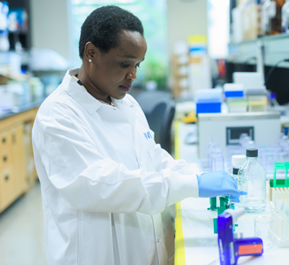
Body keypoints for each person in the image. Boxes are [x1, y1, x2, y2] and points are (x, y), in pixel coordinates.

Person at [32, 5, 245, 265]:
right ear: (91, 53)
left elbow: (153, 158)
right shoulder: (57, 115)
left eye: (138, 65)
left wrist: (193, 173)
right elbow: (105, 185)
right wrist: (193, 185)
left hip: (146, 250)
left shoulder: (128, 104)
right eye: (125, 64)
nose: (133, 75)